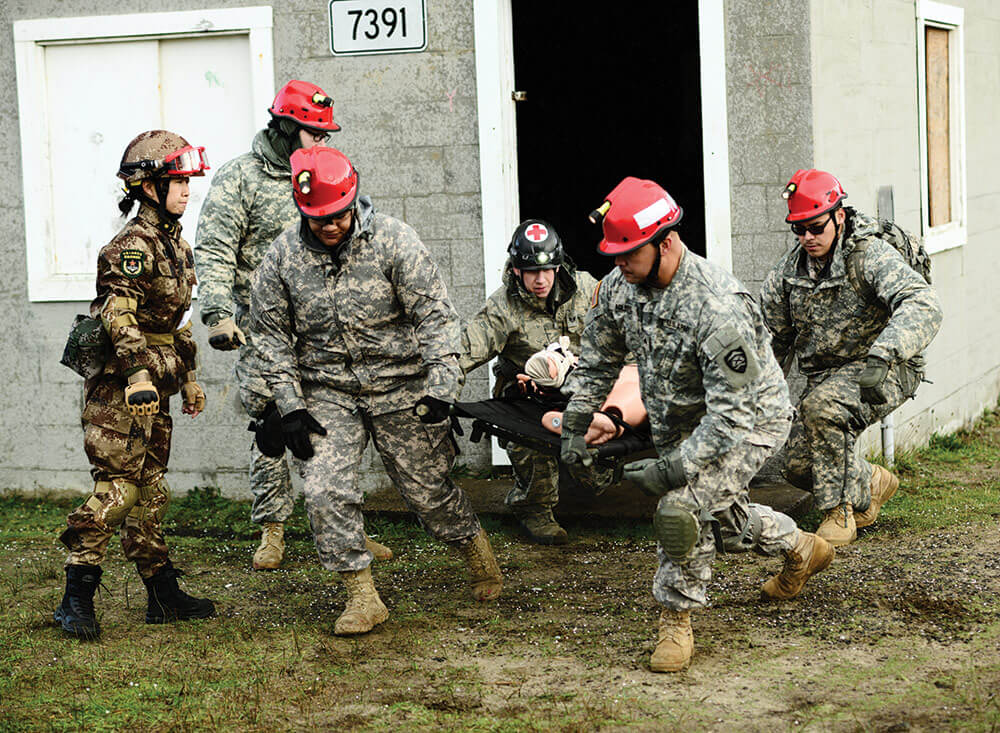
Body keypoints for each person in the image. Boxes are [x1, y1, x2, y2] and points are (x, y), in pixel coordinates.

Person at [560, 176, 833, 672]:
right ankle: (799, 546)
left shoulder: (717, 304)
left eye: (628, 253)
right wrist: (576, 425)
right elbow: (598, 361)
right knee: (725, 519)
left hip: (751, 420)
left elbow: (735, 413)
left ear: (665, 243)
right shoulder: (621, 288)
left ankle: (676, 621)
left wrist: (673, 470)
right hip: (682, 422)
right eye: (614, 254)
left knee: (681, 507)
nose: (618, 264)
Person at [248, 146, 502, 636]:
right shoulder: (282, 255)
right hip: (328, 390)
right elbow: (270, 335)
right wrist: (290, 405)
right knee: (323, 489)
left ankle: (473, 547)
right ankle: (362, 595)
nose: (329, 227)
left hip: (401, 384)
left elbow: (434, 316)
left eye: (337, 216)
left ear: (354, 199)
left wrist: (441, 389)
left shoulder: (394, 240)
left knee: (427, 491)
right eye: (317, 219)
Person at [195, 79, 392, 569]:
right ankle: (273, 530)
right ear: (285, 125)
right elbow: (215, 247)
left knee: (341, 427)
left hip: (324, 330)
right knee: (271, 427)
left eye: (326, 134)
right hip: (264, 330)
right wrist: (219, 313)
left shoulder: (329, 171)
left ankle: (349, 529)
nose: (322, 142)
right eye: (312, 132)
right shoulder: (241, 178)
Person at [55, 130, 215, 639]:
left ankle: (161, 595)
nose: (187, 189)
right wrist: (140, 376)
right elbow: (117, 315)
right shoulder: (127, 248)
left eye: (189, 180)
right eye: (178, 180)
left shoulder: (179, 247)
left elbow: (180, 323)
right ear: (149, 187)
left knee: (150, 492)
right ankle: (75, 596)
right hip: (120, 390)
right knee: (117, 491)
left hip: (156, 390)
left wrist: (188, 379)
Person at [760, 169, 943, 546]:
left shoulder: (869, 256)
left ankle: (838, 513)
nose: (807, 237)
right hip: (827, 375)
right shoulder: (786, 274)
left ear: (838, 216)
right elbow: (772, 340)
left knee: (823, 407)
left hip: (886, 367)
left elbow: (923, 303)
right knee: (797, 465)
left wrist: (884, 353)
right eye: (798, 229)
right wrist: (755, 394)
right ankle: (871, 482)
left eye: (815, 226)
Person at [458, 220, 601, 544]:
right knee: (528, 438)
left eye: (548, 270)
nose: (540, 279)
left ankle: (589, 478)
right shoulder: (501, 307)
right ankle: (533, 508)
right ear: (515, 270)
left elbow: (620, 332)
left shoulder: (587, 289)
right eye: (530, 271)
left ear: (559, 265)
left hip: (580, 385)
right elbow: (463, 353)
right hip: (524, 391)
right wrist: (438, 393)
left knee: (598, 467)